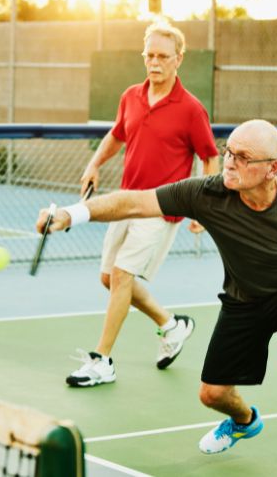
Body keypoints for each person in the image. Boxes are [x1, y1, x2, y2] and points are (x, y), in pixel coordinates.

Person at [37, 119, 277, 476]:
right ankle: (245, 421)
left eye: (243, 157)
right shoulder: (208, 193)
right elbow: (134, 201)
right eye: (228, 151)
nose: (229, 162)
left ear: (272, 169)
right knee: (212, 394)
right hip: (244, 297)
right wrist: (73, 215)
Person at [66, 21, 220, 388]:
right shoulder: (131, 95)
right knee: (109, 278)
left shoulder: (191, 109)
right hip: (124, 201)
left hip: (161, 208)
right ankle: (172, 325)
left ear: (178, 59)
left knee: (121, 277)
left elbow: (210, 158)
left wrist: (202, 207)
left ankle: (102, 361)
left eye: (163, 56)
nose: (154, 63)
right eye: (149, 55)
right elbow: (118, 133)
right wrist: (94, 164)